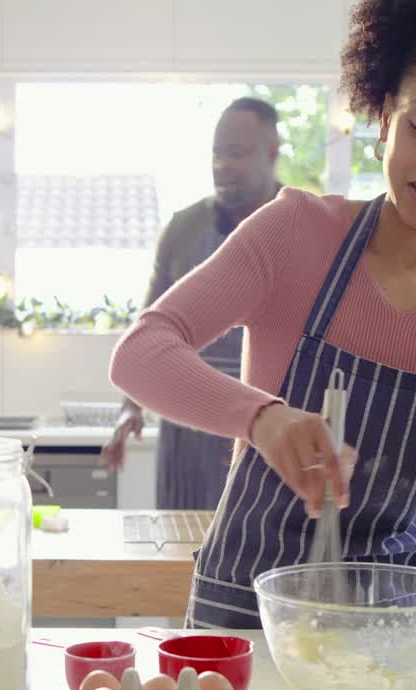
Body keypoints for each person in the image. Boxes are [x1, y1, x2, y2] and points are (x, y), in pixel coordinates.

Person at [109, 0, 416, 681]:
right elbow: (141, 351)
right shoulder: (293, 235)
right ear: (384, 113)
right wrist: (263, 418)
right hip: (245, 617)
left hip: (391, 627)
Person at [101, 97, 282, 510]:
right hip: (188, 434)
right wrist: (131, 408)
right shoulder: (184, 229)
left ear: (271, 153)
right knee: (181, 558)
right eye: (217, 153)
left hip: (271, 430)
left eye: (236, 153)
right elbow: (149, 329)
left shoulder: (305, 228)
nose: (222, 165)